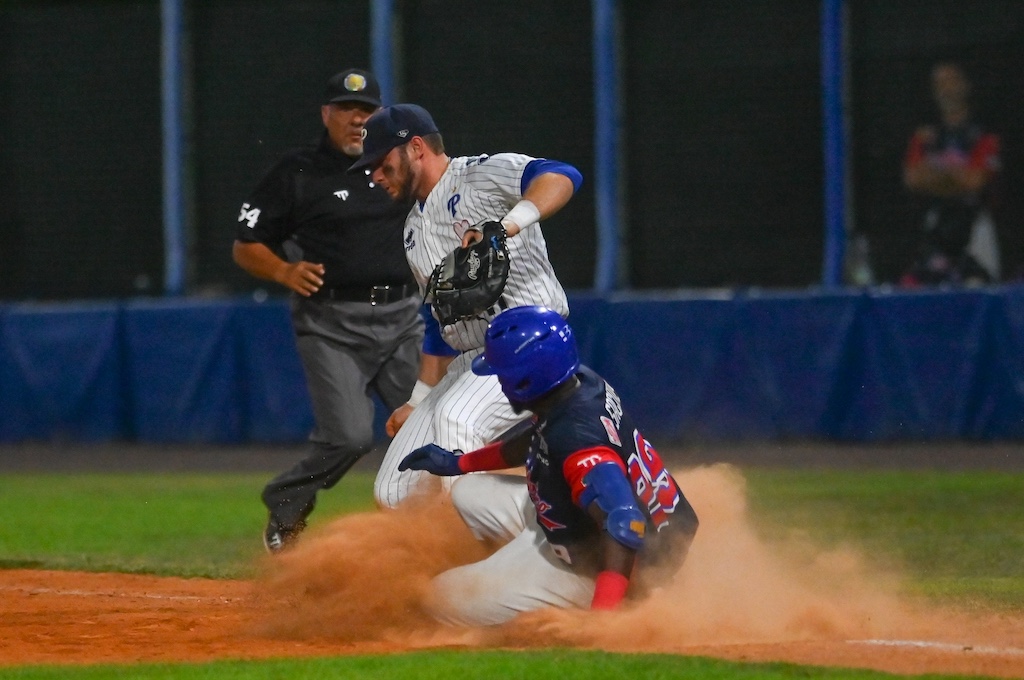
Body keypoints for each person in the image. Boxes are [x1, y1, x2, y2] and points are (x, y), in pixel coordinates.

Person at [398, 306, 699, 625]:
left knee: (439, 598)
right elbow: (539, 436)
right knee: (467, 492)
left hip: (598, 565)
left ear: (525, 380)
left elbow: (623, 524)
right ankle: (515, 569)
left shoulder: (578, 441)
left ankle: (587, 596)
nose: (498, 381)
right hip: (599, 526)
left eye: (502, 373)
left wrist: (603, 624)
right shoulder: (579, 384)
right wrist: (460, 462)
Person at [348, 103, 583, 509]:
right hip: (470, 358)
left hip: (530, 339)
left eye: (382, 163)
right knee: (395, 489)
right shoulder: (411, 232)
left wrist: (506, 226)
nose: (375, 175)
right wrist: (418, 398)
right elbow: (438, 318)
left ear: (416, 147)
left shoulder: (479, 175)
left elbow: (563, 175)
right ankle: (531, 519)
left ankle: (489, 557)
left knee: (458, 420)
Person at [232, 69, 423, 552]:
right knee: (349, 437)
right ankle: (287, 500)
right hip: (331, 323)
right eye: (347, 109)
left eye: (366, 110)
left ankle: (431, 539)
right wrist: (283, 272)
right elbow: (245, 243)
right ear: (327, 115)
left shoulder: (398, 162)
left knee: (426, 430)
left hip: (403, 317)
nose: (358, 119)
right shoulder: (296, 171)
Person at [901, 61, 1002, 286]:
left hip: (974, 228)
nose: (945, 89)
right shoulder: (927, 135)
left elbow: (975, 181)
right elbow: (913, 178)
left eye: (952, 81)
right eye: (939, 83)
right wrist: (956, 177)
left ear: (966, 85)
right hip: (936, 227)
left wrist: (936, 174)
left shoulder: (983, 132)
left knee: (977, 291)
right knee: (918, 289)